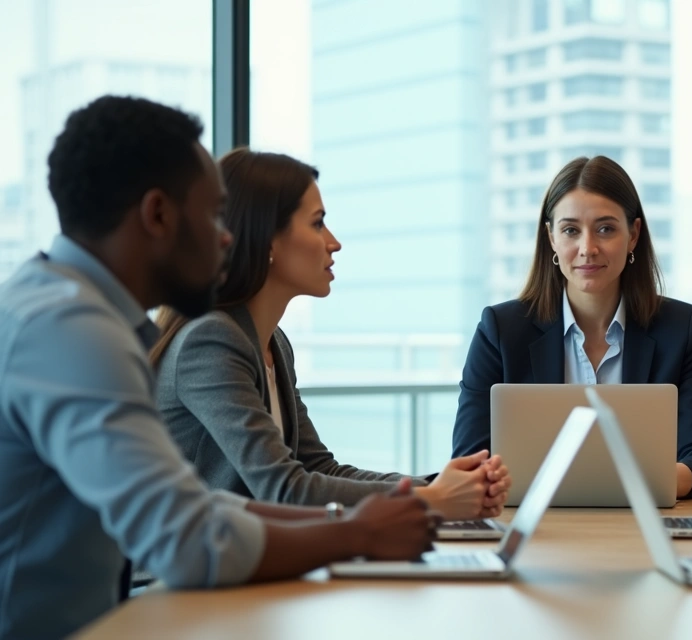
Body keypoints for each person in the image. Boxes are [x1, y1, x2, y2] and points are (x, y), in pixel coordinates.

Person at [0, 96, 441, 639]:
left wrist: (358, 520)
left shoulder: (61, 308)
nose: (227, 236)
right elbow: (186, 540)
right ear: (157, 214)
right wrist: (355, 536)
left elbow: (199, 504)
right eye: (212, 214)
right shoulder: (72, 333)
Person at [151, 148, 509, 520]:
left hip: (246, 562)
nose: (333, 242)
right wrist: (432, 500)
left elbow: (320, 469)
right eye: (317, 223)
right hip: (182, 576)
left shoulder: (274, 344)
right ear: (268, 239)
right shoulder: (210, 342)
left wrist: (439, 487)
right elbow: (285, 489)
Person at [450, 156, 692, 499]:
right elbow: (468, 463)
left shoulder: (683, 330)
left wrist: (640, 483)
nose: (587, 249)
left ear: (634, 234)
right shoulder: (500, 331)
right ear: (551, 237)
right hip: (531, 528)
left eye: (606, 229)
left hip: (646, 526)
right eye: (570, 230)